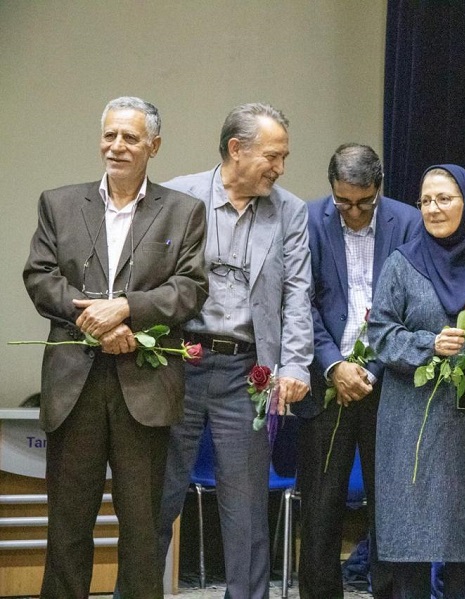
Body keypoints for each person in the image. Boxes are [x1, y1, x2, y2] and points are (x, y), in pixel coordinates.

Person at [23, 96, 208, 599]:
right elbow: (40, 277)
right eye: (110, 135)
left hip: (145, 387)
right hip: (73, 385)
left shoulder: (183, 211)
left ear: (154, 146)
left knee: (143, 532)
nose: (117, 146)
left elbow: (191, 288)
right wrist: (97, 322)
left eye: (130, 137)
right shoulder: (59, 203)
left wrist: (126, 309)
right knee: (67, 528)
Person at [156, 103, 314, 599]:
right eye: (273, 156)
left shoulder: (289, 211)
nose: (280, 167)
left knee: (246, 513)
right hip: (178, 364)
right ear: (236, 149)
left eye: (284, 157)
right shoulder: (178, 196)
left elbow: (297, 294)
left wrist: (295, 365)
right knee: (156, 500)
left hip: (247, 373)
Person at [367, 165, 465, 599]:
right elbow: (380, 334)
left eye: (444, 199)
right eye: (425, 200)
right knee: (410, 542)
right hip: (411, 424)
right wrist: (427, 344)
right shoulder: (402, 264)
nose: (432, 209)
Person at [297, 143, 420, 599]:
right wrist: (334, 365)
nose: (352, 212)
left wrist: (373, 368)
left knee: (389, 505)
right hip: (328, 382)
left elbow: (414, 307)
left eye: (363, 203)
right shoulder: (308, 220)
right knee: (321, 505)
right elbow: (301, 304)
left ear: (378, 188)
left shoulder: (408, 223)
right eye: (343, 202)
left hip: (388, 384)